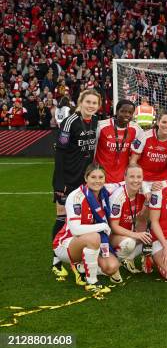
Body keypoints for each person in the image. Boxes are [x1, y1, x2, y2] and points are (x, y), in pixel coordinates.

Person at [51, 89, 101, 277]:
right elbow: (60, 153)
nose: (91, 106)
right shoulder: (69, 122)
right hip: (66, 178)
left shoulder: (96, 121)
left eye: (94, 103)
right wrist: (59, 182)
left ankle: (77, 257)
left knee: (80, 219)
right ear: (81, 102)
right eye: (88, 102)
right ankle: (56, 260)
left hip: (84, 179)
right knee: (62, 217)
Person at [52, 164, 120, 292]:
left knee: (111, 267)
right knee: (94, 237)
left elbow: (127, 183)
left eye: (101, 177)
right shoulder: (76, 197)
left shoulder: (105, 190)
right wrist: (102, 226)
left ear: (105, 179)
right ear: (86, 178)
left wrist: (149, 187)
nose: (97, 181)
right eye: (93, 177)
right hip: (66, 244)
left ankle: (82, 264)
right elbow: (75, 230)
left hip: (90, 241)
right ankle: (92, 281)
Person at [109, 164, 151, 273]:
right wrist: (136, 235)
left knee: (151, 235)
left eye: (139, 177)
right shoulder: (118, 196)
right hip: (111, 235)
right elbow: (113, 227)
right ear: (125, 177)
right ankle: (114, 264)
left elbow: (143, 219)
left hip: (128, 230)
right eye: (132, 177)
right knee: (129, 242)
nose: (136, 180)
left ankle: (128, 258)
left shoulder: (143, 192)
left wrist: (147, 203)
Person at [94, 99, 142, 191]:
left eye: (130, 112)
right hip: (101, 178)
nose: (127, 115)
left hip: (122, 180)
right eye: (123, 111)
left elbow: (137, 150)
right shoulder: (101, 126)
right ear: (116, 111)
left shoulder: (136, 129)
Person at [130, 110, 167, 193]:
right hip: (143, 178)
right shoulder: (144, 136)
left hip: (162, 178)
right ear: (157, 122)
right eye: (164, 122)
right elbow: (133, 161)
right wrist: (138, 181)